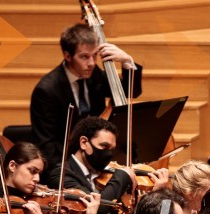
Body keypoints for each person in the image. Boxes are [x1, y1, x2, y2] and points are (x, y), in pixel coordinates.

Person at [30, 24, 142, 173]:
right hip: (66, 166)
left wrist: (127, 62)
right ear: (67, 56)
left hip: (97, 159)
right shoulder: (47, 91)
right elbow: (48, 147)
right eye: (84, 57)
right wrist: (74, 174)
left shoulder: (93, 74)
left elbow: (130, 91)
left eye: (95, 55)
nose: (91, 63)